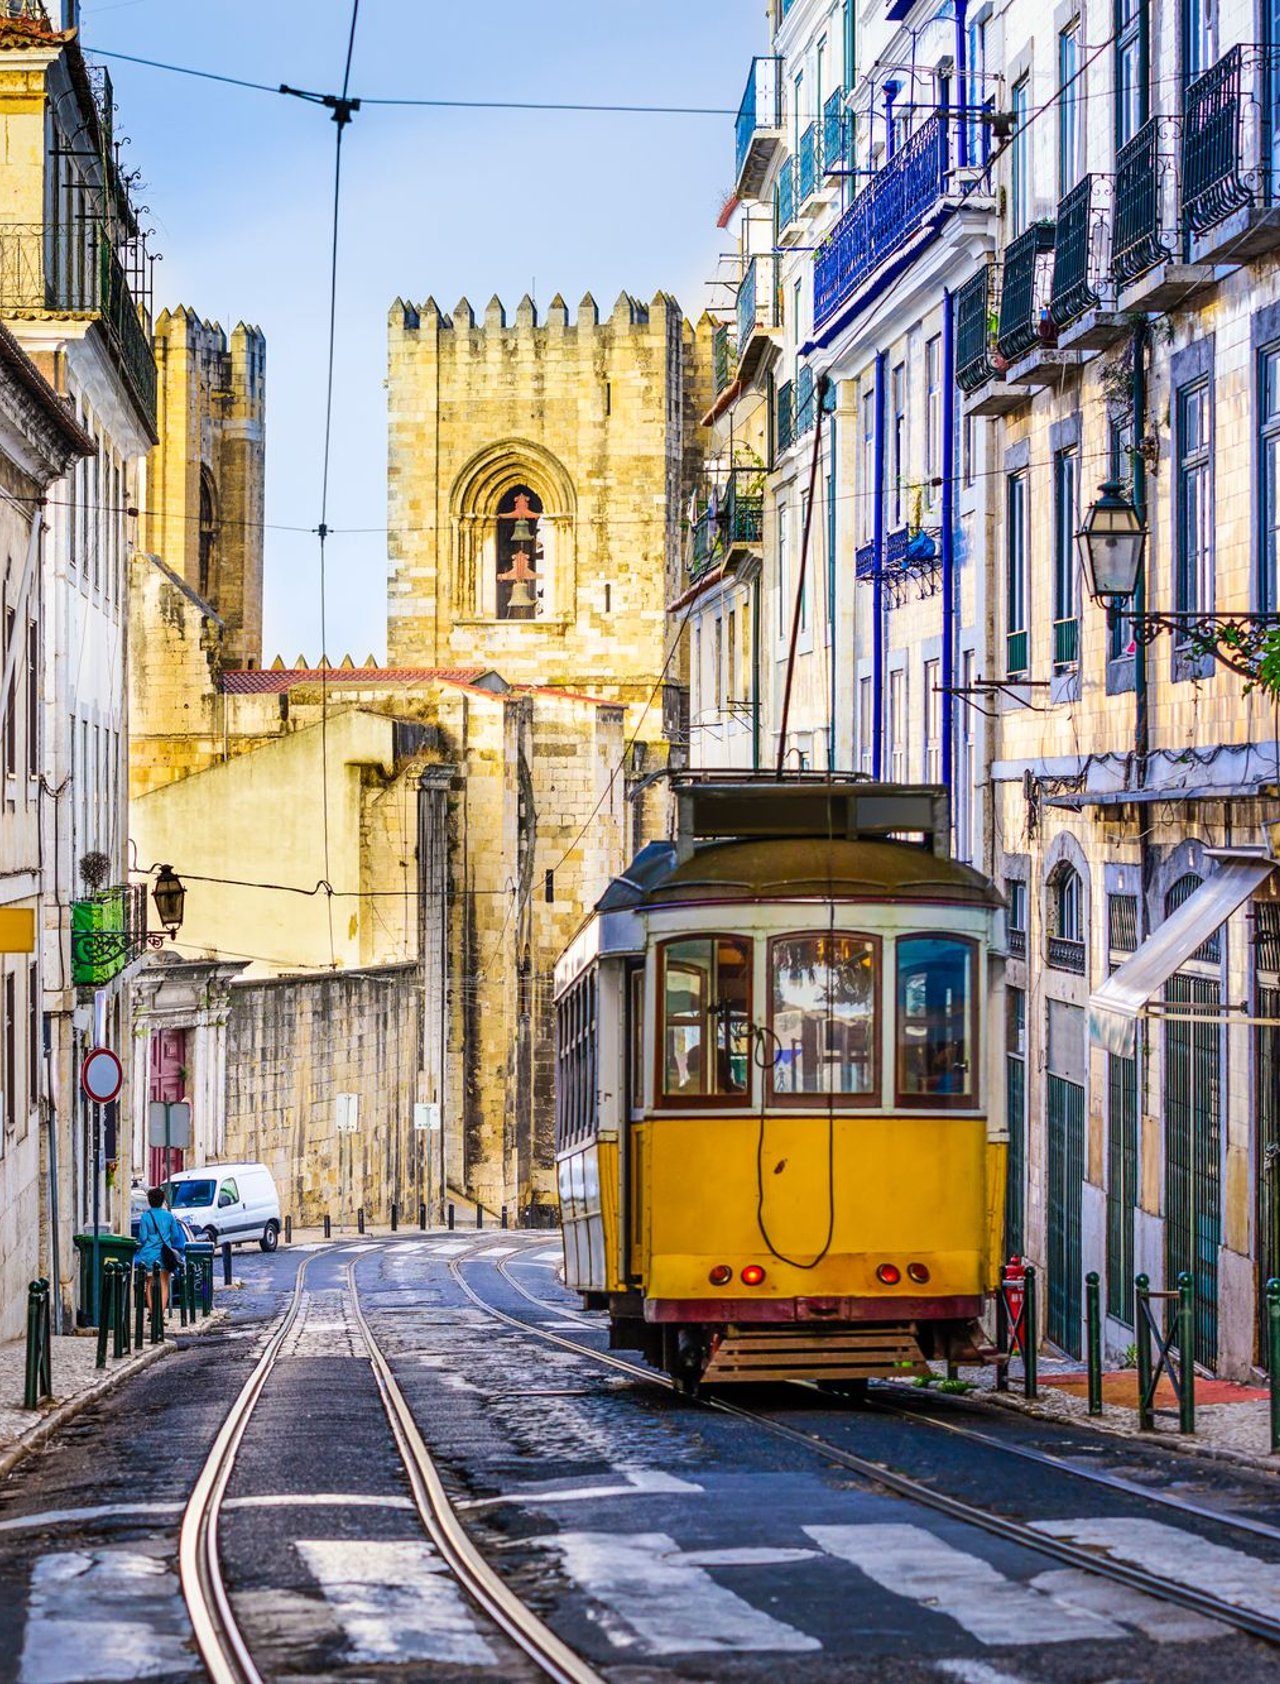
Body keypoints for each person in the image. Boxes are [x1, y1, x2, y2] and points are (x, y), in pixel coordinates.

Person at [135, 1185, 187, 1317]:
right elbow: (175, 1236)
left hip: (149, 1255)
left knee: (150, 1283)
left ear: (149, 1201)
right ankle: (161, 1313)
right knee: (164, 1283)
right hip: (164, 1255)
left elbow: (143, 1237)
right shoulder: (169, 1216)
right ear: (162, 1200)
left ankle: (152, 1312)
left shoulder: (145, 1217)